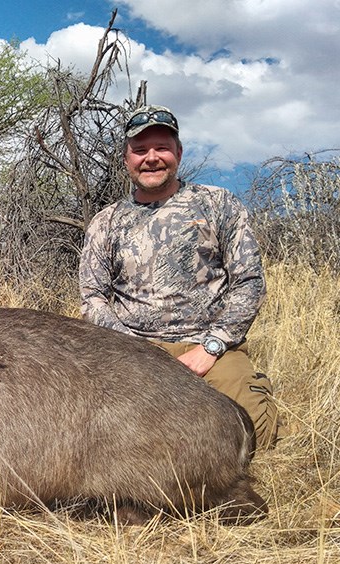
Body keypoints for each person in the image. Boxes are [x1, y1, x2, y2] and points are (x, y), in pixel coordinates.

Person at [79, 104, 279, 449]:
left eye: (162, 148)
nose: (151, 158)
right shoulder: (106, 221)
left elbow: (248, 282)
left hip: (211, 349)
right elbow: (93, 297)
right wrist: (134, 350)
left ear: (179, 153)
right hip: (133, 350)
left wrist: (212, 346)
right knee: (96, 437)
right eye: (140, 150)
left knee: (251, 434)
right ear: (127, 159)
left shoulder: (218, 204)